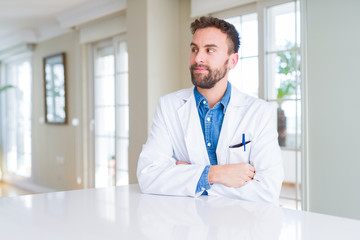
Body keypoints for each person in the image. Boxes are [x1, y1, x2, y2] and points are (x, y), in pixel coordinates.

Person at [137, 16, 284, 203]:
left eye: (210, 50)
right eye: (194, 49)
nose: (198, 58)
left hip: (240, 226)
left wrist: (186, 175)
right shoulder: (168, 105)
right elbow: (148, 176)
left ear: (232, 61)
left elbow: (267, 190)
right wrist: (216, 173)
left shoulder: (259, 112)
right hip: (187, 223)